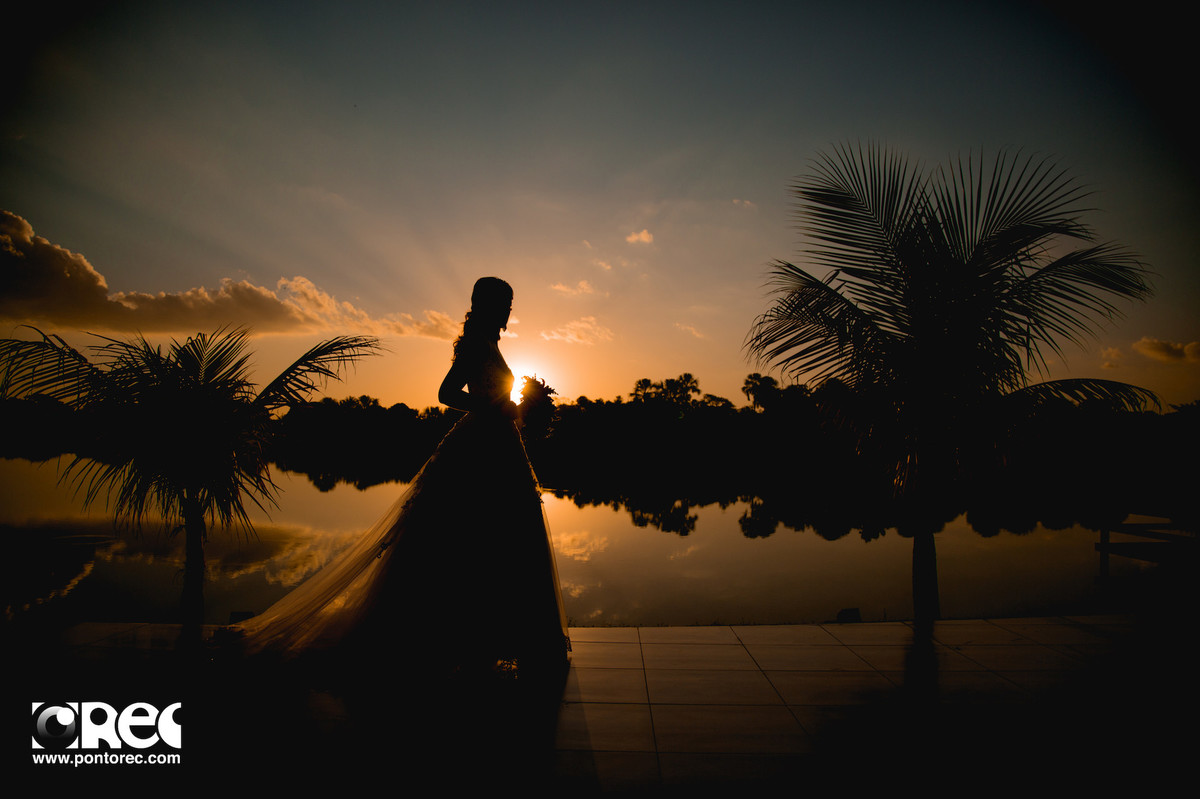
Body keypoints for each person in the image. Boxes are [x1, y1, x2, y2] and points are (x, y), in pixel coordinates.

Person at [229, 277, 570, 680]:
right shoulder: (477, 343)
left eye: (512, 302)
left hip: (501, 447)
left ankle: (493, 637)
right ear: (485, 305)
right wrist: (492, 408)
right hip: (479, 449)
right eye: (504, 302)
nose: (509, 309)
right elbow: (446, 393)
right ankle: (442, 637)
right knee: (466, 539)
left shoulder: (493, 344)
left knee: (504, 539)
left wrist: (518, 407)